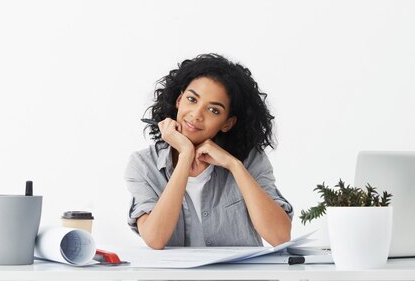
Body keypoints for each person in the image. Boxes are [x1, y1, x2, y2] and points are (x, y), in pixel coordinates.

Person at [124, 53, 293, 249]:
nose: (196, 115)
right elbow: (155, 239)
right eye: (191, 99)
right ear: (179, 100)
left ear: (227, 123)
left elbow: (280, 237)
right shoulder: (144, 164)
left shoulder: (251, 160)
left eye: (213, 110)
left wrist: (234, 165)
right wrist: (186, 154)